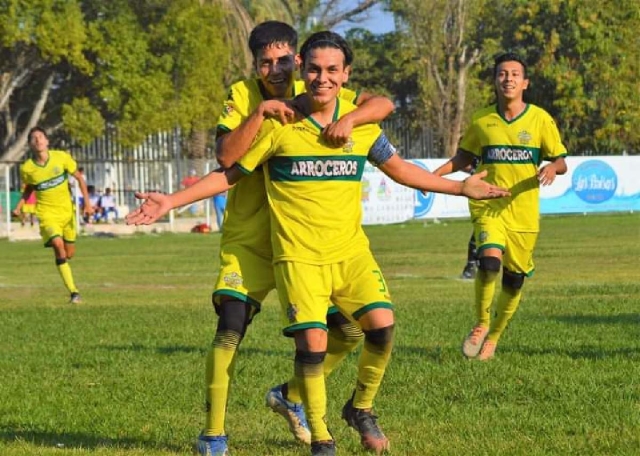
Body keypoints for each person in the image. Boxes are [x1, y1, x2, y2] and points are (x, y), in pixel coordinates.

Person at [126, 31, 509, 456]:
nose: (319, 77)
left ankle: (348, 406)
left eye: (328, 70)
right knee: (265, 333)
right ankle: (257, 437)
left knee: (376, 328)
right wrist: (171, 201)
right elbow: (229, 167)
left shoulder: (357, 118)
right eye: (312, 69)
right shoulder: (276, 118)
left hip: (346, 253)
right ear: (278, 68)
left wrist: (458, 188)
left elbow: (397, 160)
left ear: (343, 75)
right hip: (277, 247)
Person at [199, 21, 396, 455]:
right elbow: (226, 158)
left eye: (284, 60)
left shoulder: (323, 91)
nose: (276, 69)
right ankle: (213, 433)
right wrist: (261, 111)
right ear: (254, 65)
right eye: (265, 62)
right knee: (230, 328)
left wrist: (351, 118)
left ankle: (291, 395)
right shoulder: (243, 96)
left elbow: (382, 103)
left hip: (308, 244)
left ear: (298, 59)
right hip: (252, 239)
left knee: (346, 332)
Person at [433, 51, 568, 361]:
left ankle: (493, 336)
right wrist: (433, 177)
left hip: (523, 212)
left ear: (525, 83)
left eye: (514, 74)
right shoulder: (482, 119)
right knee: (489, 263)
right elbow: (464, 157)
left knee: (514, 279)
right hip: (489, 206)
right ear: (495, 81)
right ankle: (481, 324)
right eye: (502, 74)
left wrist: (551, 168)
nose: (508, 79)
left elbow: (560, 161)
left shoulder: (540, 119)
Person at [12, 127, 92, 304]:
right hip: (47, 214)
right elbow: (29, 188)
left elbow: (79, 178)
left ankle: (66, 261)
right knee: (57, 244)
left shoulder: (61, 157)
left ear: (47, 141)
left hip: (67, 213)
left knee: (69, 253)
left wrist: (87, 204)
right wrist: (19, 206)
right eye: (34, 138)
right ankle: (74, 292)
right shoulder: (27, 168)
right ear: (31, 145)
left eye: (40, 137)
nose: (38, 140)